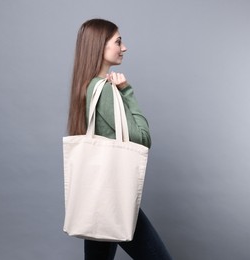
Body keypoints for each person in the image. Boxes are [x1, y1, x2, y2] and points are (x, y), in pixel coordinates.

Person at [67, 18, 172, 260]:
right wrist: (127, 91)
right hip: (113, 199)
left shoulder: (87, 86)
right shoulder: (103, 89)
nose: (124, 48)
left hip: (98, 199)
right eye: (118, 42)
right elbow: (143, 139)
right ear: (99, 47)